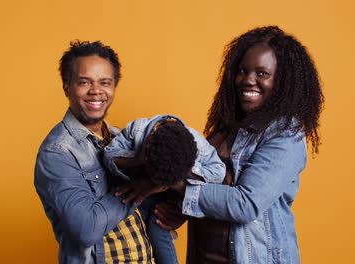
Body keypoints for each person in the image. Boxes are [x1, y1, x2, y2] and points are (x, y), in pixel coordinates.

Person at [118, 26, 324, 264]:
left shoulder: (285, 135)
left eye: (262, 73)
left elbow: (245, 204)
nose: (248, 80)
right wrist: (179, 209)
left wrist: (172, 182)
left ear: (282, 81)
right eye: (243, 71)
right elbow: (207, 183)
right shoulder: (226, 130)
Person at [34, 40, 164, 263]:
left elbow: (152, 202)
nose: (96, 91)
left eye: (105, 82)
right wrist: (140, 187)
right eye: (84, 82)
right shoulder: (57, 152)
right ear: (67, 87)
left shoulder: (120, 138)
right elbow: (87, 228)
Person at [103, 115, 225, 264]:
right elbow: (109, 155)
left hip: (168, 199)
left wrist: (184, 170)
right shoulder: (137, 131)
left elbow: (218, 172)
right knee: (114, 217)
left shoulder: (198, 145)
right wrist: (137, 159)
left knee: (158, 232)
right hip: (134, 189)